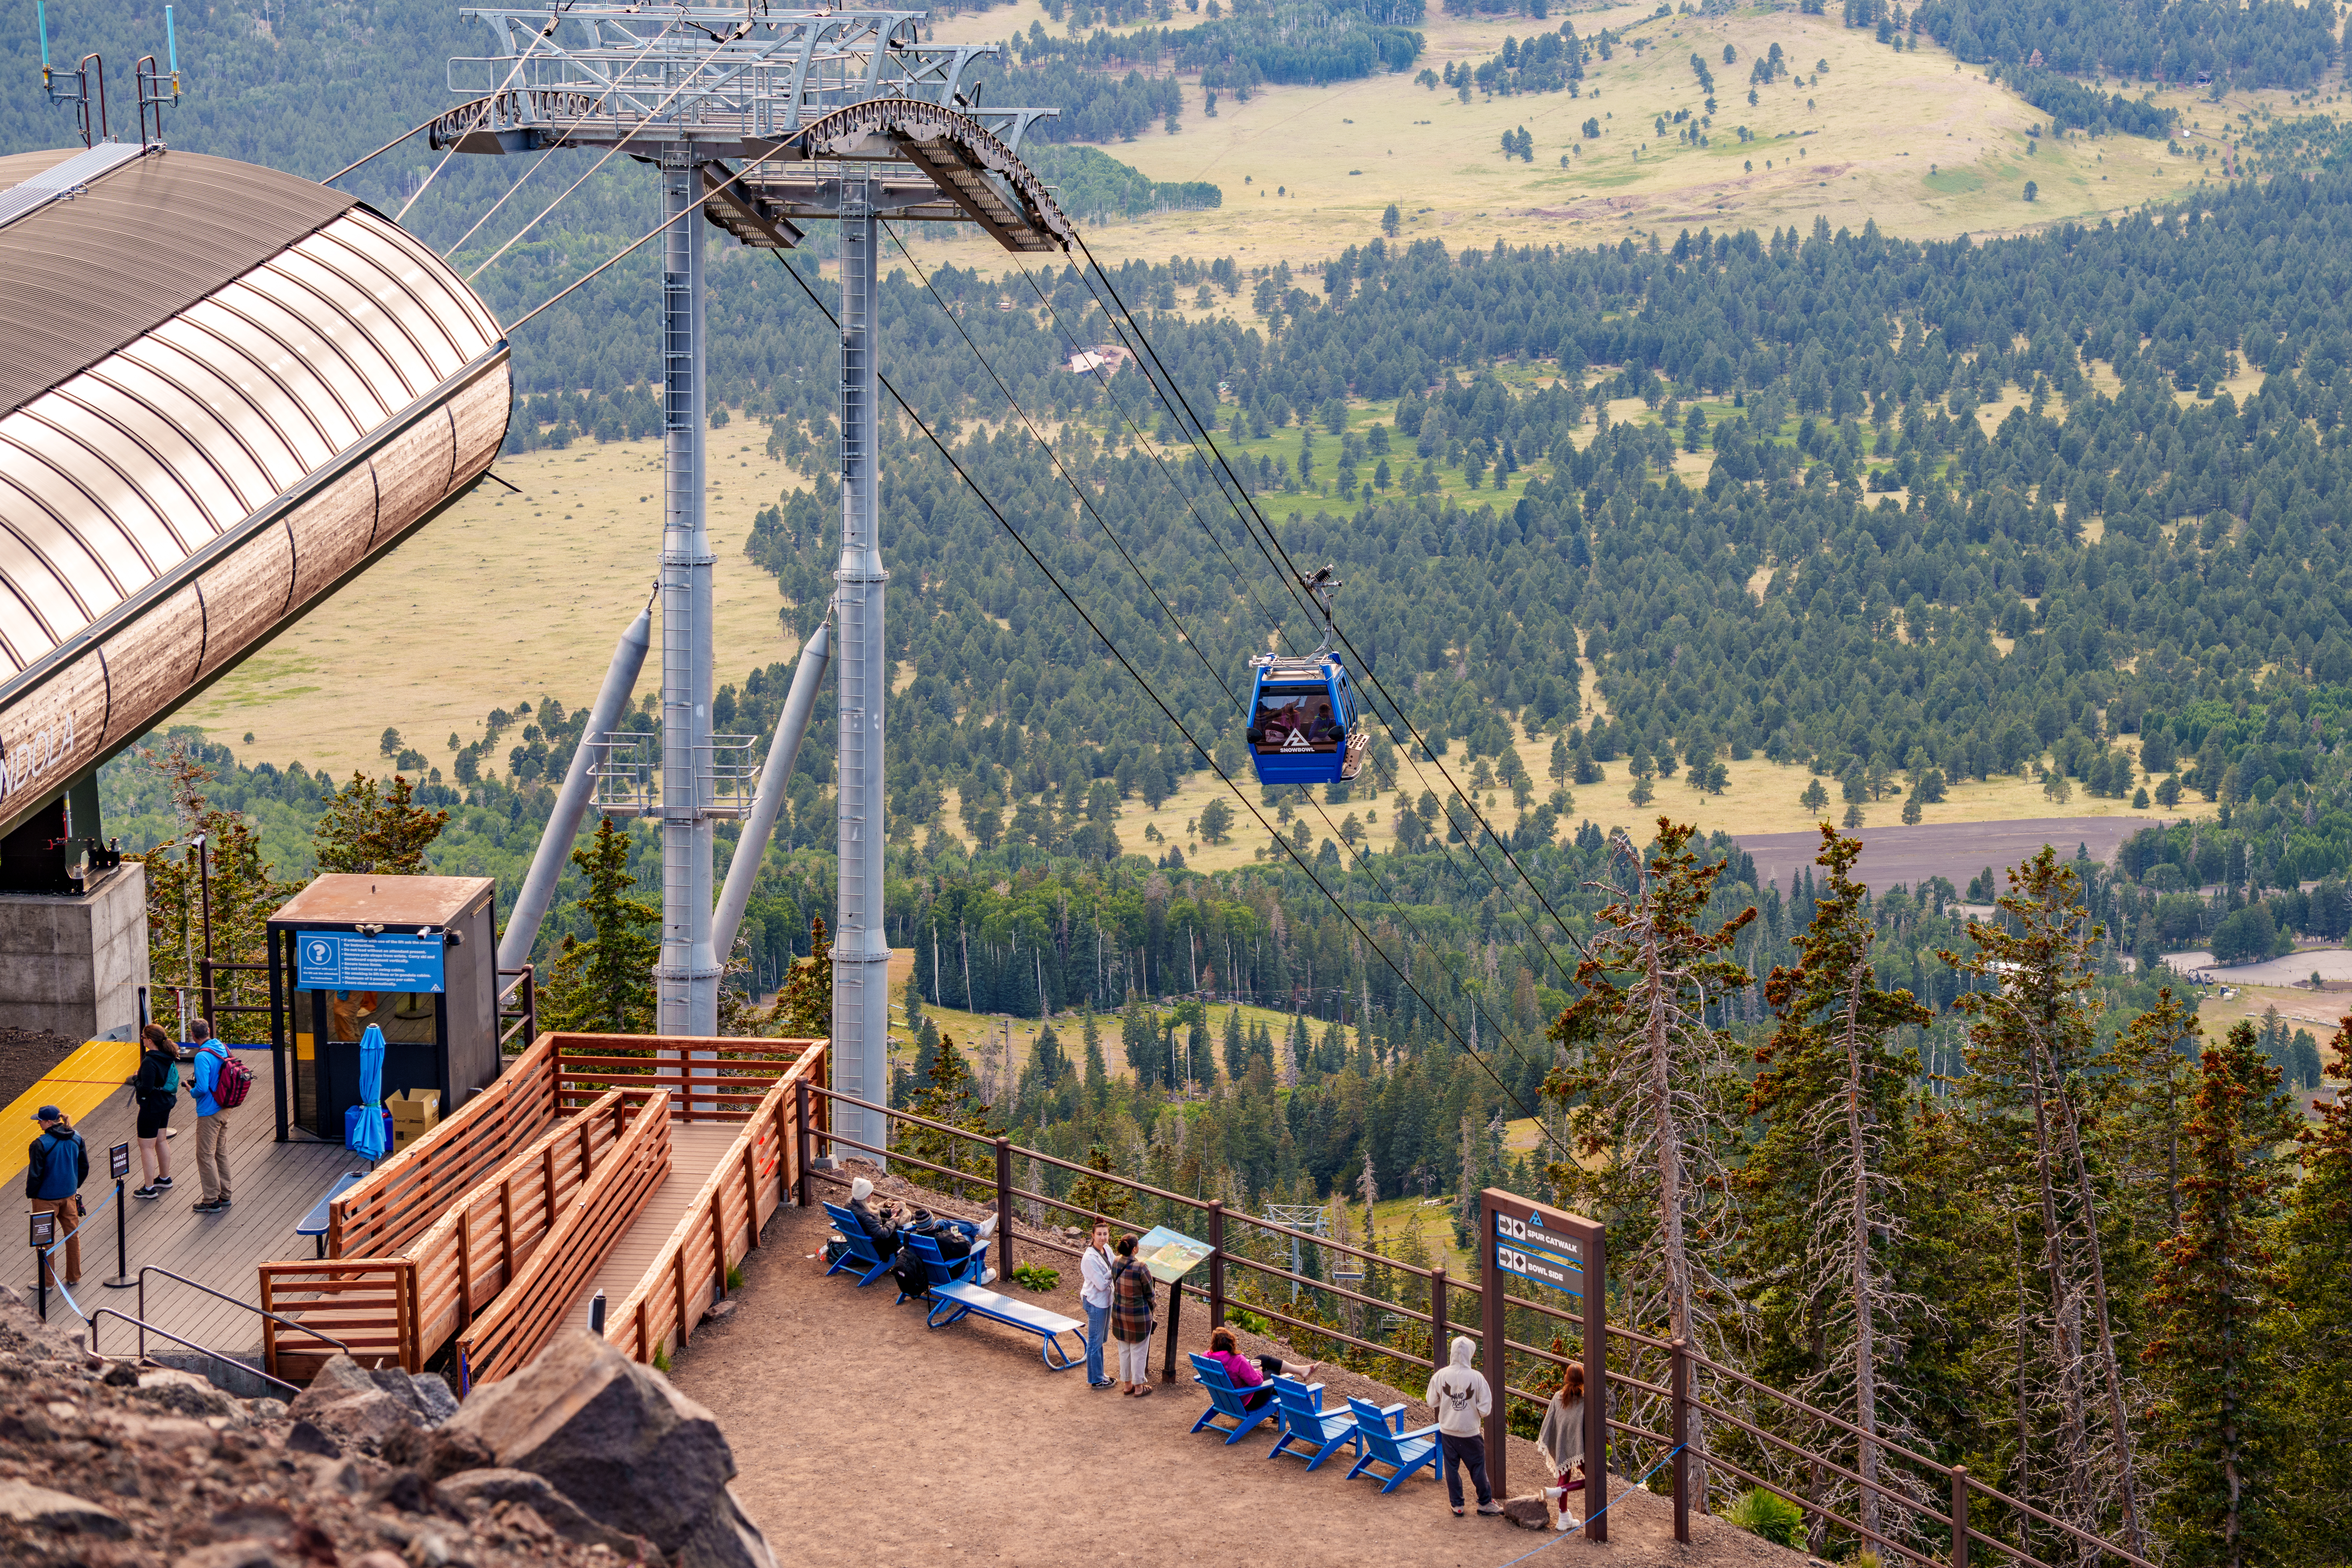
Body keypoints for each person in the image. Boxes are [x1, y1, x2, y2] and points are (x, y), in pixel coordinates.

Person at [1426, 1334, 1500, 1517]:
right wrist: (1473, 1412)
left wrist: (1447, 1405)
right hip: (1470, 1433)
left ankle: (1457, 1505)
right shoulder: (1477, 1378)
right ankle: (1485, 1503)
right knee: (1478, 1468)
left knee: (1452, 1469)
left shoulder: (1440, 1375)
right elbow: (1485, 1409)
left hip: (1448, 1431)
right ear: (1470, 1354)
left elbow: (1431, 1401)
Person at [25, 1107, 89, 1290]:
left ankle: (47, 1282)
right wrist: (74, 1185)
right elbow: (84, 1167)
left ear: (49, 1122)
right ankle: (74, 1276)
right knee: (72, 1235)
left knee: (45, 1240)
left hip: (45, 1199)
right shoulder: (77, 1137)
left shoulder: (40, 1144)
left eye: (41, 1120)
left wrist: (33, 1195)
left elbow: (35, 1175)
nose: (38, 1123)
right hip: (69, 1196)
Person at [1202, 1325, 1316, 1411]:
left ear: (1214, 1344)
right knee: (1273, 1372)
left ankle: (1301, 1370)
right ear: (1232, 1343)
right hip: (1248, 1401)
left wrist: (1250, 1368)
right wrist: (1258, 1372)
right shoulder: (1237, 1360)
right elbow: (1256, 1382)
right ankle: (1279, 1412)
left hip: (1226, 1399)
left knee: (1263, 1358)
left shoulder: (1207, 1358)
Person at [188, 1019, 232, 1213]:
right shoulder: (222, 1047)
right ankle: (225, 1194)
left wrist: (190, 1090)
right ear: (208, 1031)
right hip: (225, 1106)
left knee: (204, 1155)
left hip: (209, 1112)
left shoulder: (202, 1056)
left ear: (193, 1035)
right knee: (220, 1152)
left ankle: (211, 1200)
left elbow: (202, 1088)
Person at [1537, 1363, 1587, 1532]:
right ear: (1583, 1379)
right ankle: (1559, 1493)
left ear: (1566, 1378)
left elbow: (1549, 1422)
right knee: (1593, 1479)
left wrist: (1556, 1441)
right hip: (1579, 1447)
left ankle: (1563, 1517)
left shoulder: (1558, 1397)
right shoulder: (1586, 1400)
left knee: (1564, 1477)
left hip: (1562, 1445)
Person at [132, 1023, 178, 1199]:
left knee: (146, 1147)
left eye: (143, 1037)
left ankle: (149, 1188)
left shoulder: (150, 1061)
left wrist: (136, 1079)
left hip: (151, 1107)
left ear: (150, 1041)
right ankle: (165, 1178)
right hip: (165, 1103)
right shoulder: (168, 1056)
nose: (142, 1039)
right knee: (161, 1140)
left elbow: (146, 1089)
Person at [1110, 1233, 1156, 1397]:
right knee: (1139, 1350)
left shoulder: (1116, 1262)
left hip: (1119, 1314)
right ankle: (1139, 1387)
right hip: (1139, 1317)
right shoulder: (1141, 1267)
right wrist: (1152, 1309)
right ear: (1135, 1249)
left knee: (1124, 1349)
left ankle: (1127, 1384)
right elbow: (1150, 1294)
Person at [1079, 1220, 1117, 1389]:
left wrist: (1110, 1272)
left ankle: (1099, 1373)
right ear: (1093, 1235)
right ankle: (1096, 1379)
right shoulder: (1089, 1258)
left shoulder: (1107, 1249)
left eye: (1105, 1234)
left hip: (1106, 1301)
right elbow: (1101, 1285)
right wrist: (1112, 1273)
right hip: (1095, 1302)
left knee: (1101, 1339)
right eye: (1099, 1234)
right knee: (1095, 1341)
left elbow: (1114, 1264)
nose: (1103, 1238)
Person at [847, 1176, 899, 1261]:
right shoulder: (866, 1216)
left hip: (860, 1245)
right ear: (864, 1196)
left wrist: (889, 1212)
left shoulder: (851, 1203)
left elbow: (871, 1210)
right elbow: (882, 1234)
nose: (873, 1195)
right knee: (904, 1226)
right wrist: (893, 1221)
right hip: (878, 1249)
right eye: (871, 1193)